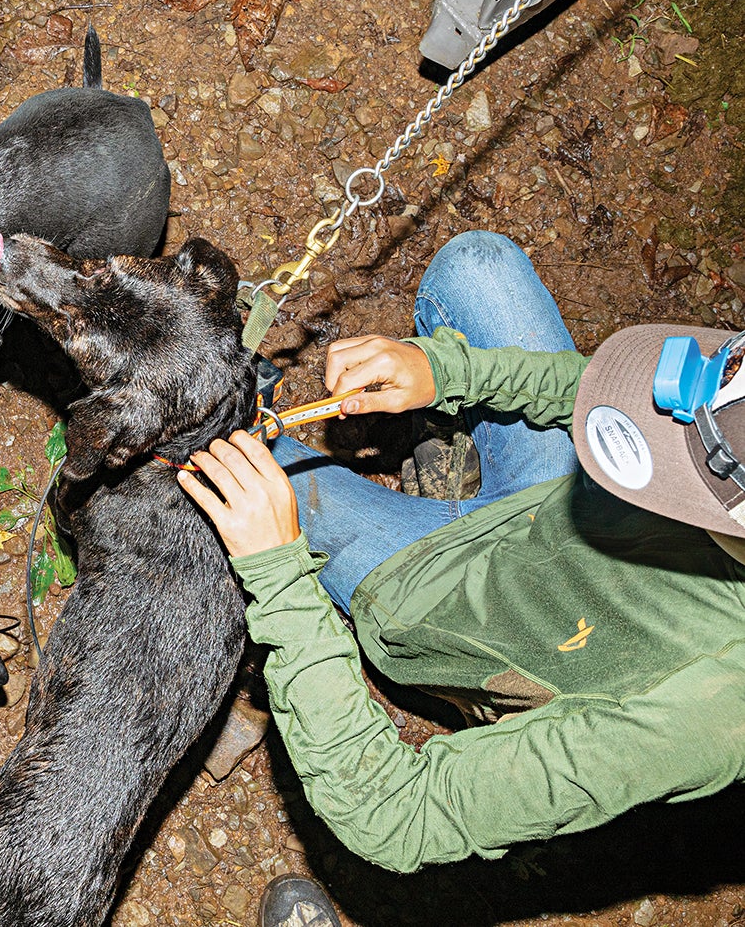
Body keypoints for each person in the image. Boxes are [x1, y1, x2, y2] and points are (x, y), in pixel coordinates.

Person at [178, 231, 745, 896]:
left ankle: (422, 531)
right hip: (557, 491)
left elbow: (394, 815)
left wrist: (278, 574)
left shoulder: (712, 717)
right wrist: (445, 373)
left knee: (220, 463)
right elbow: (629, 403)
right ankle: (453, 463)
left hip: (444, 601)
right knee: (478, 268)